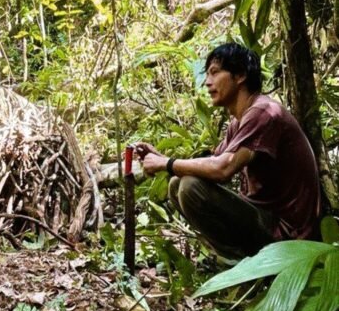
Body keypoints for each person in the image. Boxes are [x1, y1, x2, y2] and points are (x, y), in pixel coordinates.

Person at [136, 43, 321, 260]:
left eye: (215, 73)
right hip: (266, 222)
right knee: (178, 183)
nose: (207, 82)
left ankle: (240, 267)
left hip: (288, 236)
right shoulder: (240, 121)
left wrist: (166, 163)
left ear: (240, 75)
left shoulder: (263, 112)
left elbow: (223, 169)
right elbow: (212, 166)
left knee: (189, 188)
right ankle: (242, 265)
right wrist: (160, 158)